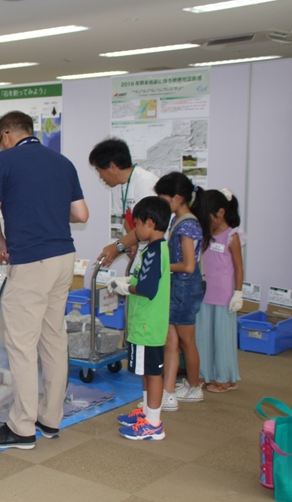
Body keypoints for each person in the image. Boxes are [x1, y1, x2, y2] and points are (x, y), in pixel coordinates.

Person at [0, 111, 88, 449]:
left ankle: (22, 426)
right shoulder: (63, 162)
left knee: (22, 343)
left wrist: (2, 246)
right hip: (64, 260)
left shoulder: (5, 160)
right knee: (53, 338)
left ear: (7, 135)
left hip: (31, 260)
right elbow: (81, 214)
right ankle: (50, 418)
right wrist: (51, 211)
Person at [108, 196, 172, 440]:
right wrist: (129, 282)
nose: (135, 231)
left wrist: (125, 288)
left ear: (150, 223)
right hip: (144, 323)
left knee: (153, 374)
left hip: (148, 325)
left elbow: (147, 288)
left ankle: (154, 424)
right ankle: (147, 412)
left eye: (137, 225)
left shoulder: (156, 251)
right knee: (147, 371)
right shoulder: (152, 249)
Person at [155, 172, 211, 410]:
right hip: (182, 286)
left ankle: (190, 387)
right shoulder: (180, 220)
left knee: (183, 341)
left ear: (177, 198)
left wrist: (162, 266)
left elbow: (188, 265)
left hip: (184, 287)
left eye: (164, 198)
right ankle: (190, 385)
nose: (162, 204)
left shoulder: (186, 224)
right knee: (179, 341)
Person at [197, 189, 244, 393]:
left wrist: (238, 292)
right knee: (203, 337)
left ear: (221, 213)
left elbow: (239, 267)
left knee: (223, 338)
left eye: (208, 216)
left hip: (225, 295)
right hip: (206, 293)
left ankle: (225, 378)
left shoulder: (232, 237)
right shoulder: (205, 235)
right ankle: (204, 374)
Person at [89, 138, 159, 260]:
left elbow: (149, 226)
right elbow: (125, 217)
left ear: (112, 166)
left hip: (159, 250)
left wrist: (117, 246)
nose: (100, 177)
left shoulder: (145, 183)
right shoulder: (118, 186)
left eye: (100, 171)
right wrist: (131, 241)